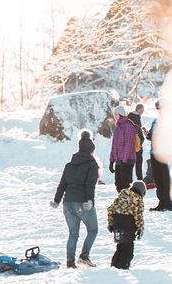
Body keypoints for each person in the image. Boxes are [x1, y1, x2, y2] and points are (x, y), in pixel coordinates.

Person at [50, 130, 99, 268]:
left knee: (73, 234)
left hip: (67, 203)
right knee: (93, 230)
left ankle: (70, 262)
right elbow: (90, 185)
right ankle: (84, 256)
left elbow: (62, 184)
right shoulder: (92, 164)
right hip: (82, 202)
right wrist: (90, 200)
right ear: (91, 151)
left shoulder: (69, 165)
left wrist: (57, 201)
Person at [107, 180, 146, 269]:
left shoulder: (121, 196)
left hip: (117, 224)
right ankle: (123, 266)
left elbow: (110, 209)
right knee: (128, 249)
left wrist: (111, 223)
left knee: (120, 246)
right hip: (128, 225)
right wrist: (140, 228)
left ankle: (114, 265)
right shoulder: (138, 199)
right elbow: (138, 215)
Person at [147, 100, 172, 211]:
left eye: (160, 108)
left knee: (166, 179)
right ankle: (161, 203)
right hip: (154, 153)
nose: (159, 110)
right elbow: (150, 136)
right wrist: (147, 135)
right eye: (157, 108)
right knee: (158, 179)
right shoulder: (155, 121)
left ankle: (169, 204)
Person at [109, 106, 138, 192]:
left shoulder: (128, 126)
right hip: (119, 160)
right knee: (118, 184)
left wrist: (124, 160)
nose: (114, 116)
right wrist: (112, 160)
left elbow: (128, 145)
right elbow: (114, 145)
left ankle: (127, 204)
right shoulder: (118, 127)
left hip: (127, 160)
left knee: (125, 185)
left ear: (120, 114)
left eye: (116, 114)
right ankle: (122, 203)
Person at [128, 103, 145, 180]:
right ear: (138, 109)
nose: (142, 111)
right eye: (141, 110)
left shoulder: (132, 117)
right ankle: (139, 179)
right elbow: (136, 131)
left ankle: (130, 179)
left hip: (133, 144)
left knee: (132, 163)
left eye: (143, 110)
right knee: (138, 162)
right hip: (136, 144)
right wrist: (141, 140)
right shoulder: (134, 117)